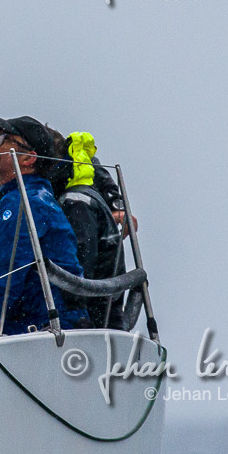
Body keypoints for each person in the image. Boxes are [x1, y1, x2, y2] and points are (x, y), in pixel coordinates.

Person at [0, 114, 85, 341]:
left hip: (39, 335)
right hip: (37, 333)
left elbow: (3, 287)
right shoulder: (29, 198)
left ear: (28, 159)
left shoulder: (24, 203)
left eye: (3, 138)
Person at [58, 132, 128, 328]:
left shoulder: (75, 201)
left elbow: (82, 266)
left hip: (91, 315)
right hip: (102, 308)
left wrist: (116, 203)